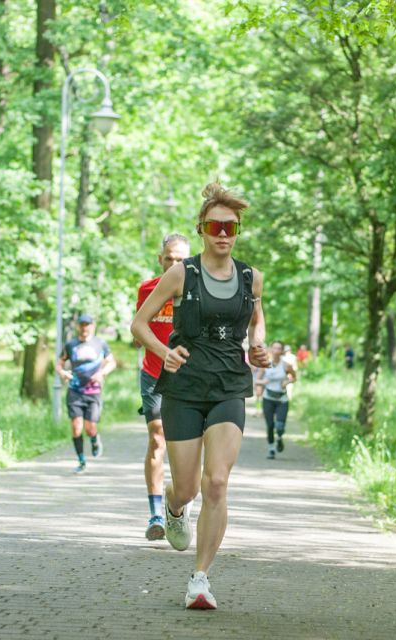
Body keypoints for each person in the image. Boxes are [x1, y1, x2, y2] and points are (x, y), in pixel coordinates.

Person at [131, 182, 270, 610]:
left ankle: (200, 579)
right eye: (215, 226)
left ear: (238, 230)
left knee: (217, 483)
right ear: (202, 229)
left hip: (230, 384)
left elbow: (257, 322)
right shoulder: (181, 274)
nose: (223, 233)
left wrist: (260, 346)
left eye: (231, 227)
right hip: (186, 388)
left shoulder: (252, 277)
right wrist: (163, 351)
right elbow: (139, 324)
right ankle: (174, 505)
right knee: (189, 486)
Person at [135, 233, 191, 541]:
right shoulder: (147, 289)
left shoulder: (196, 288)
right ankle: (156, 513)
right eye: (169, 258)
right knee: (157, 438)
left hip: (188, 377)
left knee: (186, 445)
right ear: (160, 259)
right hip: (154, 374)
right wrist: (161, 350)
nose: (173, 263)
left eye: (180, 259)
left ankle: (180, 501)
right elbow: (139, 329)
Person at [55, 313, 116, 474]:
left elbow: (112, 362)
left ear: (92, 326)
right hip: (75, 390)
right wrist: (63, 373)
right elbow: (59, 364)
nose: (84, 327)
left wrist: (102, 373)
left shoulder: (100, 344)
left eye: (87, 324)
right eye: (82, 324)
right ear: (78, 326)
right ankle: (81, 461)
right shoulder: (71, 345)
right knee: (76, 428)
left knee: (90, 428)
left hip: (93, 392)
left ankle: (95, 440)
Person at [257, 340, 297, 459]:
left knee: (279, 426)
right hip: (268, 398)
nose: (276, 351)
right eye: (274, 348)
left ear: (282, 351)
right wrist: (262, 382)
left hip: (282, 400)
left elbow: (294, 377)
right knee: (270, 425)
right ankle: (271, 449)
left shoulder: (286, 365)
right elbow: (256, 380)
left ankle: (279, 438)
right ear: (270, 349)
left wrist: (287, 381)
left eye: (279, 348)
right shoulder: (265, 364)